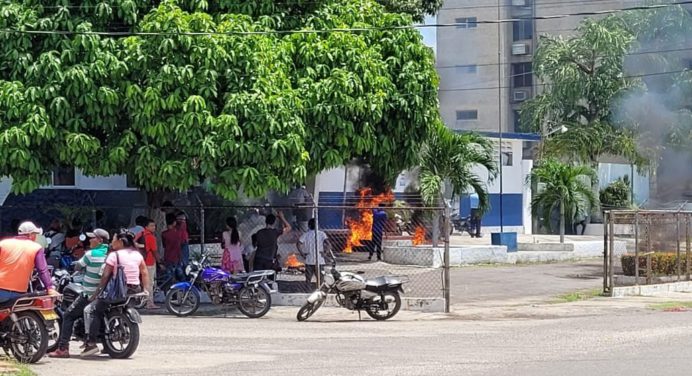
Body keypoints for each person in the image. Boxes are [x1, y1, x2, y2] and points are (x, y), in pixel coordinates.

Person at [83, 229, 150, 357]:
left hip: (118, 291)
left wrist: (97, 293)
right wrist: (146, 290)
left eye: (114, 239)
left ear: (120, 241)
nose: (112, 242)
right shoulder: (137, 255)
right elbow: (145, 273)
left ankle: (91, 342)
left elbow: (105, 276)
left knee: (97, 310)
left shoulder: (114, 255)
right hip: (134, 290)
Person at [48, 229, 109, 358]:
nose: (90, 240)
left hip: (90, 293)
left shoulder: (90, 254)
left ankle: (63, 348)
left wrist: (78, 265)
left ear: (100, 241)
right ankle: (105, 344)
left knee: (69, 315)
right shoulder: (111, 254)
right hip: (106, 294)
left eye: (93, 238)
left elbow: (77, 267)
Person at [0, 222, 57, 302]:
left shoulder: (3, 244)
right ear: (31, 235)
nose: (36, 237)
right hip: (19, 294)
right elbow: (42, 270)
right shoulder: (36, 248)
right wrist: (50, 288)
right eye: (35, 235)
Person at [297, 219, 329, 285]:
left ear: (309, 226)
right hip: (320, 260)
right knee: (320, 278)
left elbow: (298, 244)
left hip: (309, 260)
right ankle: (319, 289)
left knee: (308, 279)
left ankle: (307, 290)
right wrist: (325, 253)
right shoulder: (322, 234)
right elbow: (329, 244)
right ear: (317, 225)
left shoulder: (306, 234)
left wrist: (302, 254)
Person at [142, 219, 160, 309]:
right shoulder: (150, 237)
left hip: (141, 261)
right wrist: (160, 262)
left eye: (154, 226)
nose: (154, 227)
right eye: (151, 226)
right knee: (150, 283)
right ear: (146, 227)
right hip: (149, 262)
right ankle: (149, 303)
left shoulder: (140, 234)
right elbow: (155, 251)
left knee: (145, 282)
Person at [162, 215, 184, 281]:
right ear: (174, 223)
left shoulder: (164, 234)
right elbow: (180, 245)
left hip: (168, 257)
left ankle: (169, 289)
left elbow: (164, 245)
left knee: (169, 276)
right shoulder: (178, 233)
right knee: (180, 274)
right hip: (177, 257)